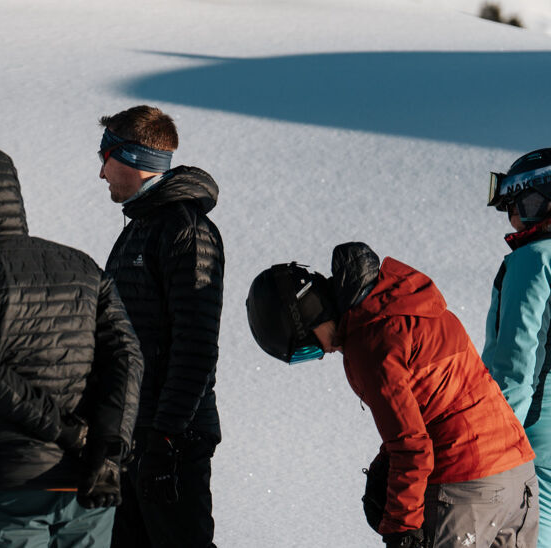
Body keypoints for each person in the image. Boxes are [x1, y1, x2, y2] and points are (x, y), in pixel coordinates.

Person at [247, 243, 537, 548]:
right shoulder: (407, 302)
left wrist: (400, 526)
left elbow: (411, 446)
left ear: (308, 313)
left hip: (467, 487)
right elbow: (438, 405)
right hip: (519, 477)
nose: (321, 355)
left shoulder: (370, 342)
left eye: (308, 347)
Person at [0, 148, 144, 547]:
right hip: (90, 484)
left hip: (9, 485)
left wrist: (69, 433)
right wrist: (109, 447)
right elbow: (127, 358)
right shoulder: (82, 266)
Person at [95, 105, 224, 547]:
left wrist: (166, 438)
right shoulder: (141, 227)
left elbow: (197, 344)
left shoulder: (186, 230)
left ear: (131, 158)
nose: (100, 172)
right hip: (134, 435)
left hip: (171, 438)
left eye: (104, 155)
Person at [483, 147, 551, 547]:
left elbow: (516, 364)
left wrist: (487, 448)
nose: (511, 219)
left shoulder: (533, 260)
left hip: (534, 436)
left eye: (515, 205)